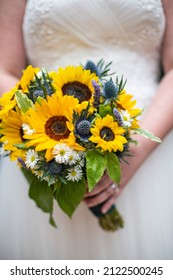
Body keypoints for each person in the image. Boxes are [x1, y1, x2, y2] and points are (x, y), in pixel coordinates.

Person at [0, 0, 173, 260]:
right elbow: (4, 70)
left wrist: (133, 154)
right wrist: (41, 135)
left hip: (148, 151)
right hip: (46, 155)